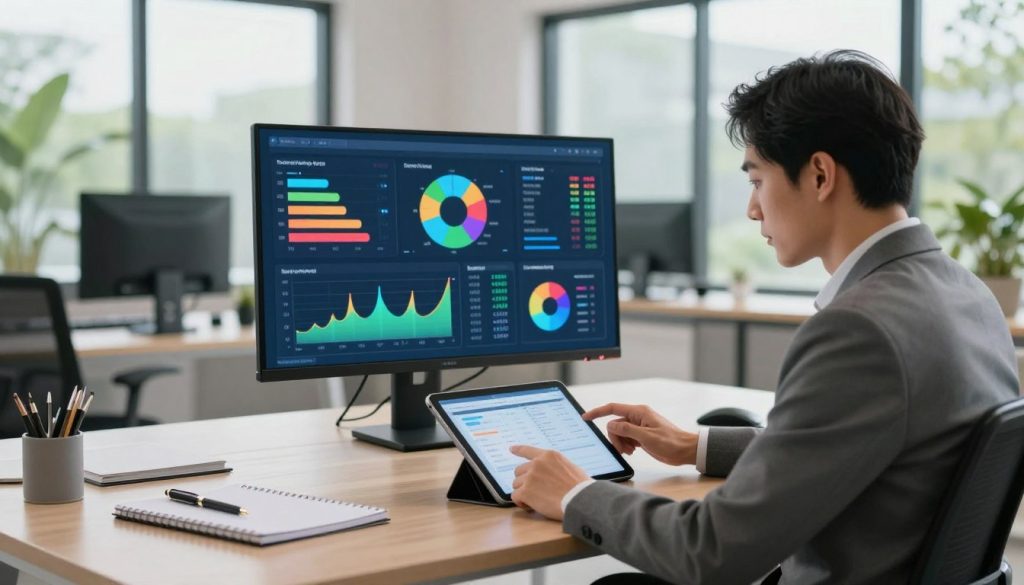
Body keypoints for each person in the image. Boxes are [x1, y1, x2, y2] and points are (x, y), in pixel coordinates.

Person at [508, 49, 1019, 584]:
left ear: (819, 175)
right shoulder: (968, 295)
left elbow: (713, 553)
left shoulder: (859, 330)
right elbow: (862, 447)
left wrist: (576, 493)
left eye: (756, 181)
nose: (753, 209)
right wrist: (694, 445)